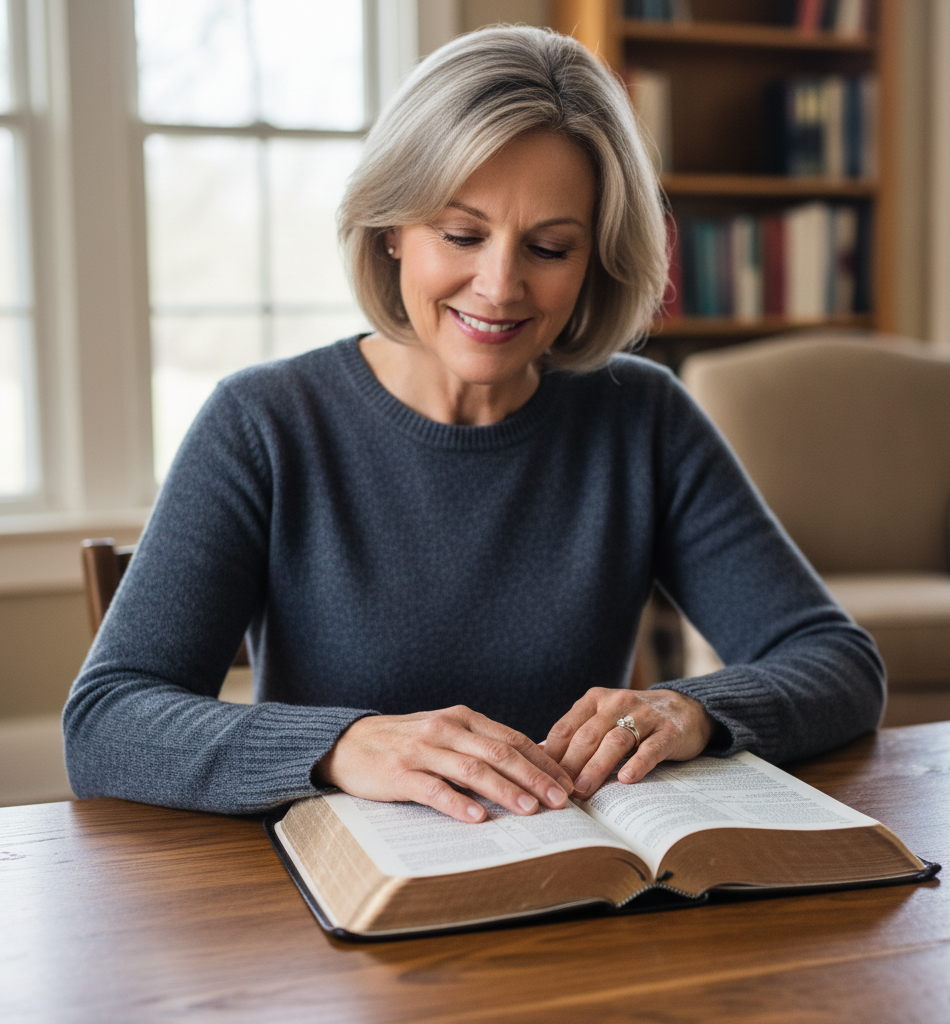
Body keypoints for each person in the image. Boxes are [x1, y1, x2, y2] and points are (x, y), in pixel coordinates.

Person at [63, 26, 884, 821]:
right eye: (461, 234)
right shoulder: (263, 422)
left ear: (595, 256)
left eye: (550, 248)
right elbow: (104, 722)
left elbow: (840, 665)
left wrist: (691, 710)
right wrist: (345, 744)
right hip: (345, 912)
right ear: (391, 229)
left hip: (582, 899)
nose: (499, 287)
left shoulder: (643, 417)